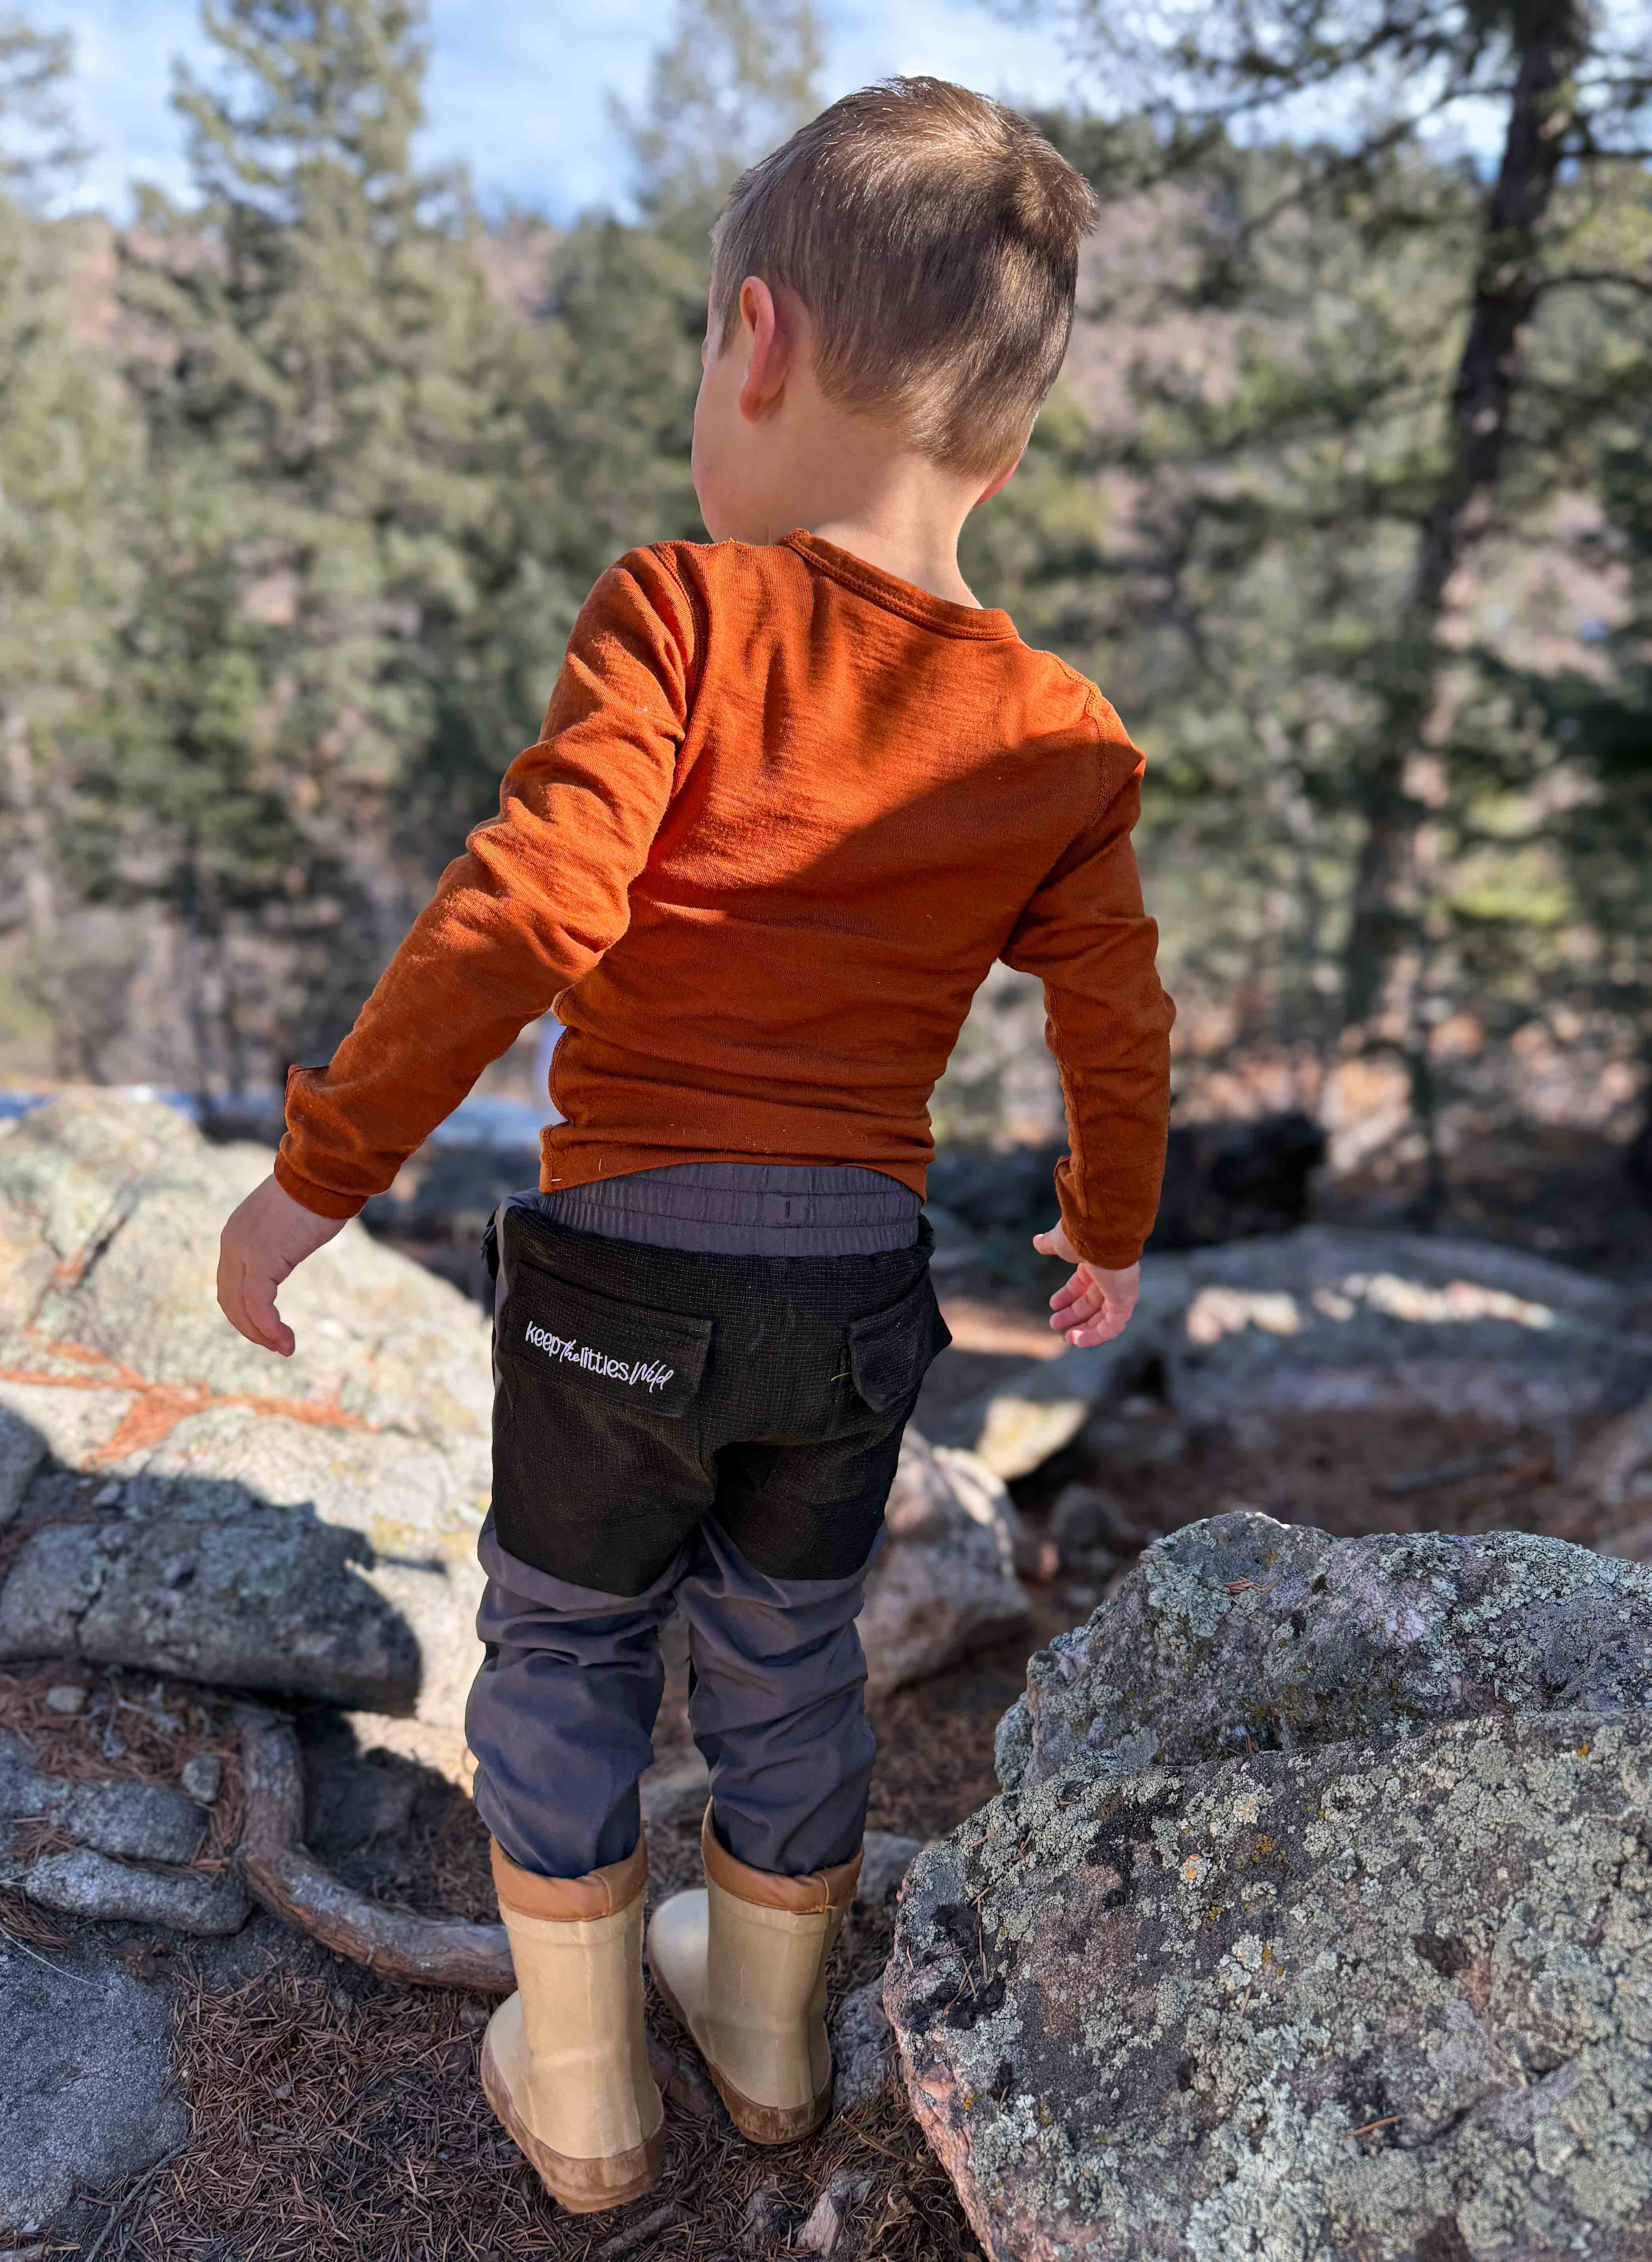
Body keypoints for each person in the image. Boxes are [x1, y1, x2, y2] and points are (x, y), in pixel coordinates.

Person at [215, 75, 1174, 2216]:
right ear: (1003, 452)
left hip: (622, 1282)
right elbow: (1113, 1009)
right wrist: (1107, 1223)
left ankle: (578, 2094)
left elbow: (527, 910)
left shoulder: (681, 614)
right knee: (786, 1648)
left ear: (754, 343)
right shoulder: (1057, 738)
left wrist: (317, 1175)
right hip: (852, 1292)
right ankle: (760, 2045)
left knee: (560, 1641)